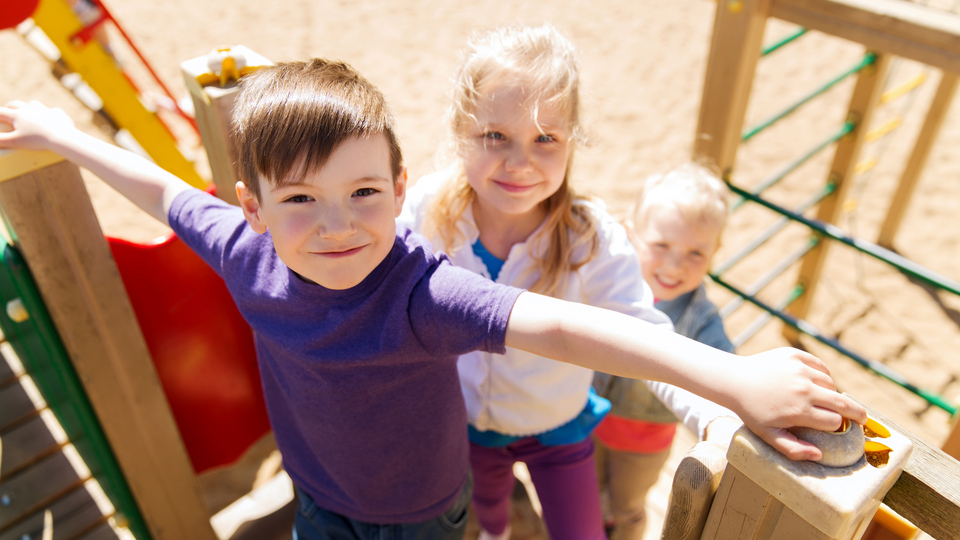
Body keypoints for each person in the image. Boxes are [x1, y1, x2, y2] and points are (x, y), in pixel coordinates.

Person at [0, 60, 864, 540]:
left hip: (420, 516)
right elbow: (158, 189)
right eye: (301, 200)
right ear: (252, 209)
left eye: (365, 194)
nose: (338, 225)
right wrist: (61, 136)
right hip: (318, 499)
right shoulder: (241, 252)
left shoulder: (422, 294)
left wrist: (730, 379)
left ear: (401, 184)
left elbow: (567, 325)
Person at [397, 25, 739, 540]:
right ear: (459, 130)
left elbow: (646, 336)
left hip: (556, 426)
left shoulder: (590, 241)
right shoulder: (427, 210)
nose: (520, 162)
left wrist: (714, 409)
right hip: (465, 423)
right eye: (495, 136)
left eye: (545, 139)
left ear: (571, 141)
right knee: (488, 510)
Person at [592, 162, 739, 539]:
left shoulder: (701, 319)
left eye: (696, 254)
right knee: (587, 494)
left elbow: (728, 368)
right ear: (631, 234)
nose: (675, 265)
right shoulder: (611, 286)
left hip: (643, 442)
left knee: (626, 507)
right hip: (587, 419)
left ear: (715, 252)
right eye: (661, 245)